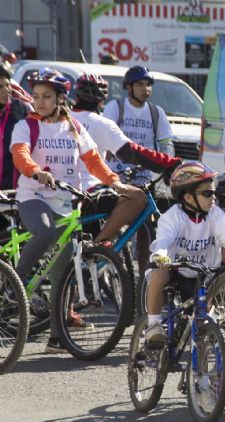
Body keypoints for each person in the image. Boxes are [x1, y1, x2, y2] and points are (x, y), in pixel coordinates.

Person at [10, 67, 126, 353]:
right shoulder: (27, 125)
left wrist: (115, 182)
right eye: (36, 96)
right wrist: (36, 172)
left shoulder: (74, 127)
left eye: (46, 96)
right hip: (33, 197)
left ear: (61, 98)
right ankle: (16, 283)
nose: (39, 102)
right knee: (45, 231)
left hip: (65, 202)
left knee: (63, 275)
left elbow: (93, 160)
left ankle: (56, 338)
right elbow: (20, 154)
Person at [145, 162, 225, 354]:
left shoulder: (215, 215)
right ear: (188, 197)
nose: (214, 198)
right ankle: (153, 326)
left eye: (214, 193)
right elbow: (163, 240)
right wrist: (160, 255)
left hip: (201, 275)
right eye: (207, 194)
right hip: (175, 269)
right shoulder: (173, 217)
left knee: (203, 329)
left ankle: (201, 378)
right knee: (158, 274)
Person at [70, 73, 182, 244]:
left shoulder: (62, 119)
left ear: (75, 96)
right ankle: (98, 245)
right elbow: (131, 152)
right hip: (89, 192)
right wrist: (167, 163)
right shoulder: (101, 123)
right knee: (138, 198)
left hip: (57, 190)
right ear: (101, 100)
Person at [102, 65, 175, 184]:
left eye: (148, 84)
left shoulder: (157, 112)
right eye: (140, 84)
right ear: (129, 87)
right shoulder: (116, 107)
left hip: (144, 176)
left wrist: (169, 166)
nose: (145, 88)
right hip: (116, 174)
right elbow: (105, 137)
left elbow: (166, 143)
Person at [0, 64, 30, 190]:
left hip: (14, 189)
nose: (6, 90)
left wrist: (23, 120)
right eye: (0, 87)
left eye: (7, 85)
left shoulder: (20, 109)